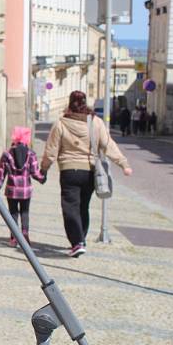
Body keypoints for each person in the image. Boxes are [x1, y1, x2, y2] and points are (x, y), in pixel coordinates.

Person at [40, 91, 133, 257]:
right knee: (83, 207)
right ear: (85, 103)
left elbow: (51, 150)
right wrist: (123, 164)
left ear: (70, 103)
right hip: (89, 172)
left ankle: (77, 242)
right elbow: (107, 144)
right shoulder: (95, 122)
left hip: (69, 171)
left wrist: (44, 169)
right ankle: (81, 239)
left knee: (70, 207)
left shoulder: (61, 123)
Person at [0, 126, 46, 247]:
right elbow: (35, 172)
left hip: (12, 189)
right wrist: (42, 178)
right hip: (26, 190)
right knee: (25, 212)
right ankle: (25, 233)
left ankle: (13, 237)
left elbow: (1, 172)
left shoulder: (7, 154)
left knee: (13, 212)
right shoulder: (31, 154)